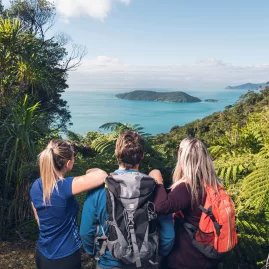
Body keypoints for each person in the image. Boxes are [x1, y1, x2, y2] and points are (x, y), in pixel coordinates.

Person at [80, 131, 175, 269]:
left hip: (109, 262)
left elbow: (85, 232)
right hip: (145, 262)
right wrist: (157, 254)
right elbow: (168, 236)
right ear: (142, 156)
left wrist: (93, 253)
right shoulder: (154, 189)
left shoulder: (99, 190)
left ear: (116, 154)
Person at [30, 139, 107, 269]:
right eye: (73, 157)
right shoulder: (64, 187)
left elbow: (39, 219)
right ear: (67, 163)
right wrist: (90, 170)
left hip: (42, 253)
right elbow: (102, 175)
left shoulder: (36, 185)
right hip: (65, 257)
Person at [149, 138, 221, 269]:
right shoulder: (212, 185)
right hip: (206, 254)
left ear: (183, 158)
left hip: (186, 257)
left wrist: (158, 180)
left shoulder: (189, 187)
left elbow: (161, 206)